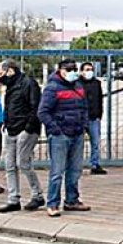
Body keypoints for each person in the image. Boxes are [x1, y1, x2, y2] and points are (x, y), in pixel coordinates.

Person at [38, 59, 91, 217]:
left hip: (77, 133)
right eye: (68, 69)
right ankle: (52, 203)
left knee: (75, 170)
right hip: (60, 135)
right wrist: (55, 129)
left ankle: (71, 200)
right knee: (57, 171)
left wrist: (83, 125)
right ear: (60, 70)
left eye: (74, 69)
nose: (72, 72)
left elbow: (84, 107)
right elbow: (43, 112)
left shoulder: (78, 86)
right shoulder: (52, 88)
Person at [0, 61, 44, 213]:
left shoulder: (28, 83)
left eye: (0, 74)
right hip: (11, 129)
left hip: (25, 130)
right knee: (9, 165)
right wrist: (6, 124)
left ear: (10, 71)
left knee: (23, 163)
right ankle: (13, 199)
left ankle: (37, 195)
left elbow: (35, 106)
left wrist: (29, 128)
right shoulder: (11, 86)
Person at [79, 62, 107, 175]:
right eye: (87, 69)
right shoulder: (77, 84)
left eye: (91, 69)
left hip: (94, 117)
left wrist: (99, 114)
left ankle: (95, 164)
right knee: (78, 144)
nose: (89, 72)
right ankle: (76, 165)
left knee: (95, 143)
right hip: (80, 118)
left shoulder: (96, 83)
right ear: (81, 71)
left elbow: (100, 100)